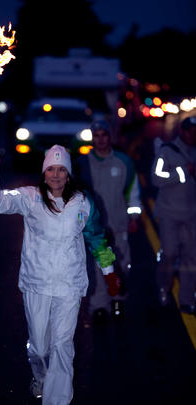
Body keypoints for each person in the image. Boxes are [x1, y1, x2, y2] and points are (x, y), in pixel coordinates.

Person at [0, 144, 120, 404]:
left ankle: (57, 400)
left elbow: (98, 240)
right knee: (40, 347)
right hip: (37, 283)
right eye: (51, 169)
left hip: (69, 284)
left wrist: (109, 272)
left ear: (69, 174)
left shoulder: (83, 202)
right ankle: (40, 375)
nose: (56, 175)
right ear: (44, 174)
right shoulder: (29, 198)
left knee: (62, 346)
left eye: (61, 169)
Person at [73, 120, 142, 322]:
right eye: (97, 136)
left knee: (122, 263)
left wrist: (134, 216)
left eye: (104, 135)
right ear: (92, 138)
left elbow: (133, 192)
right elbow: (75, 197)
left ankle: (118, 298)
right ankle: (99, 306)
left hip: (118, 225)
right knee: (97, 267)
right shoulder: (82, 164)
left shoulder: (124, 162)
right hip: (95, 229)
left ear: (110, 137)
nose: (101, 139)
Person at [151, 116, 196, 315]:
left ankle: (186, 299)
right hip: (169, 213)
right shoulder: (167, 151)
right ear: (182, 131)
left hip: (191, 214)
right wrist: (182, 173)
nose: (193, 135)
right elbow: (156, 178)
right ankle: (163, 287)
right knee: (169, 254)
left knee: (191, 258)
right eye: (190, 131)